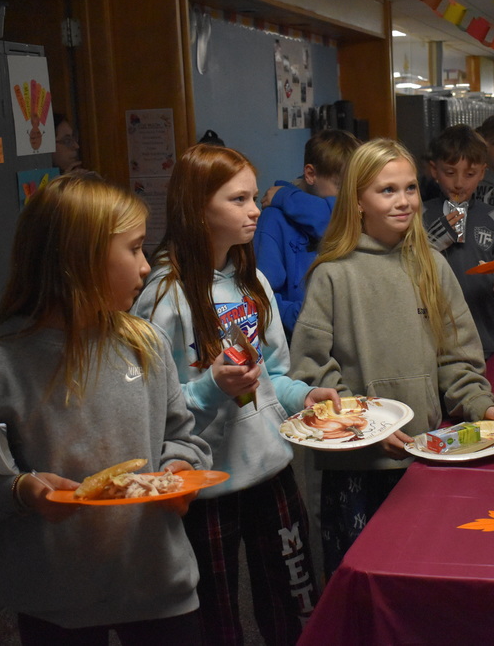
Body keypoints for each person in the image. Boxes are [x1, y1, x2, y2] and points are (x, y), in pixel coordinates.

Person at [0, 174, 213, 645]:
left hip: (158, 584)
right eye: (132, 249)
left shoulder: (144, 343)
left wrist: (179, 470)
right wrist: (18, 491)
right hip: (57, 603)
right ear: (81, 259)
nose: (145, 265)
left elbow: (184, 437)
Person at [131, 144, 339, 646]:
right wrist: (210, 388)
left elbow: (274, 375)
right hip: (206, 486)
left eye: (253, 197)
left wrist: (303, 398)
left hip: (271, 469)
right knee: (217, 618)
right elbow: (148, 408)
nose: (255, 210)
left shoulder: (253, 283)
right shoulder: (163, 297)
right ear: (196, 208)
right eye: (238, 200)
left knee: (295, 601)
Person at [289, 139, 494, 578]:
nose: (404, 201)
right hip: (356, 465)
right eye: (387, 190)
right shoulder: (332, 273)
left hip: (423, 452)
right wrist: (369, 426)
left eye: (410, 188)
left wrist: (479, 404)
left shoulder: (431, 264)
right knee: (361, 575)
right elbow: (314, 369)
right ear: (356, 202)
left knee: (422, 569)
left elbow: (457, 355)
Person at [253, 129, 360, 336]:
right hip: (297, 341)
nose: (349, 199)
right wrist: (306, 317)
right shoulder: (273, 220)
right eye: (341, 188)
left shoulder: (348, 205)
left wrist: (286, 196)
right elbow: (262, 294)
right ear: (311, 174)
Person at [422, 124, 494, 358]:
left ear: (482, 172)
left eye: (469, 174)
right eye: (450, 173)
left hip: (483, 335)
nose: (459, 183)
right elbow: (404, 274)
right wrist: (432, 243)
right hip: (432, 340)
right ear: (434, 170)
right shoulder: (417, 214)